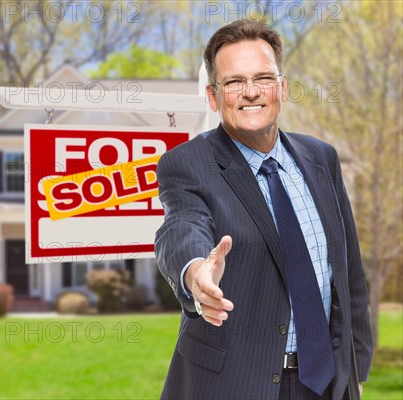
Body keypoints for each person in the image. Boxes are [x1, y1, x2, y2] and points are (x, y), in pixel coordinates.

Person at [154, 20, 373, 400]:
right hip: (235, 383)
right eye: (235, 81)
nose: (251, 92)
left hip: (326, 382)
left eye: (263, 78)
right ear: (213, 96)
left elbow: (348, 268)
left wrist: (356, 369)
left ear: (282, 88)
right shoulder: (187, 163)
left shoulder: (321, 158)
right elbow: (180, 226)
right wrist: (195, 273)